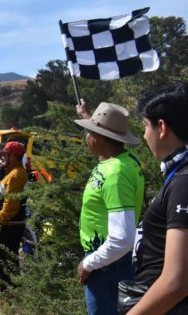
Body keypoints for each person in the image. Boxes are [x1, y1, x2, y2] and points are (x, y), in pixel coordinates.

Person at [74, 101, 145, 315]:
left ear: (100, 138)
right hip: (111, 262)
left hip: (106, 264)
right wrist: (88, 116)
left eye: (91, 132)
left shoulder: (115, 174)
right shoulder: (123, 160)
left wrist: (89, 263)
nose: (87, 136)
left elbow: (123, 237)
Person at [127, 82, 188, 314]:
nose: (144, 135)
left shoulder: (183, 181)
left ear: (161, 127)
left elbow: (176, 282)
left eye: (145, 126)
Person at [0, 141, 28, 306]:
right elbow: (1, 192)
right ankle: (13, 293)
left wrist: (0, 221)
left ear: (13, 156)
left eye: (4, 154)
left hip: (9, 225)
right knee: (4, 258)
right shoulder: (11, 172)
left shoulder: (17, 174)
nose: (1, 156)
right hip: (9, 224)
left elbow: (11, 203)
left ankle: (7, 296)